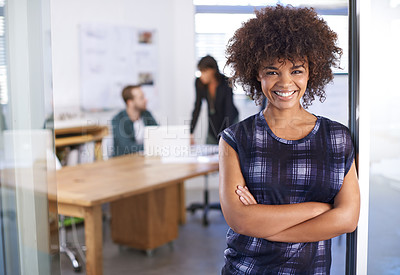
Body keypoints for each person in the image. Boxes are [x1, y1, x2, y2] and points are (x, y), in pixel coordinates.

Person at [218, 5, 360, 274]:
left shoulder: (337, 137)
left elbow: (347, 219)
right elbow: (240, 219)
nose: (285, 83)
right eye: (272, 71)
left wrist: (268, 228)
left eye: (296, 71)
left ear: (311, 73)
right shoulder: (236, 139)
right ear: (256, 74)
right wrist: (320, 209)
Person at [190, 55, 238, 145]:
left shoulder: (226, 82)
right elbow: (197, 107)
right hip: (213, 124)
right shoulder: (199, 83)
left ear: (212, 70)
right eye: (200, 71)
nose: (201, 75)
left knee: (228, 151)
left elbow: (229, 109)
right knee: (210, 151)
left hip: (230, 121)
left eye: (204, 71)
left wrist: (226, 135)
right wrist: (191, 132)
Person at [112, 85, 157, 156]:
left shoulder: (147, 115)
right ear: (130, 102)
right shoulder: (118, 120)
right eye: (141, 98)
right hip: (125, 161)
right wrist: (151, 146)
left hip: (146, 157)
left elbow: (159, 136)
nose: (146, 100)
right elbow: (126, 147)